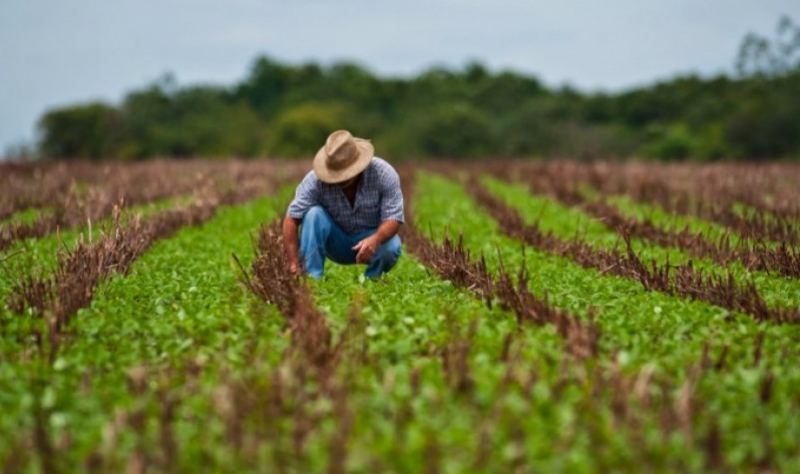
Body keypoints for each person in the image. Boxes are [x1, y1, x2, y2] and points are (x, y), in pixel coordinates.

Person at [283, 130, 404, 279]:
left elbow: (394, 218)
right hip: (335, 242)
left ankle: (372, 282)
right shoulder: (315, 181)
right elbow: (291, 218)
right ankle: (312, 279)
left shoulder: (384, 174)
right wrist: (294, 263)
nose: (341, 179)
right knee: (313, 214)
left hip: (371, 239)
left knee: (391, 246)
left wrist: (375, 239)